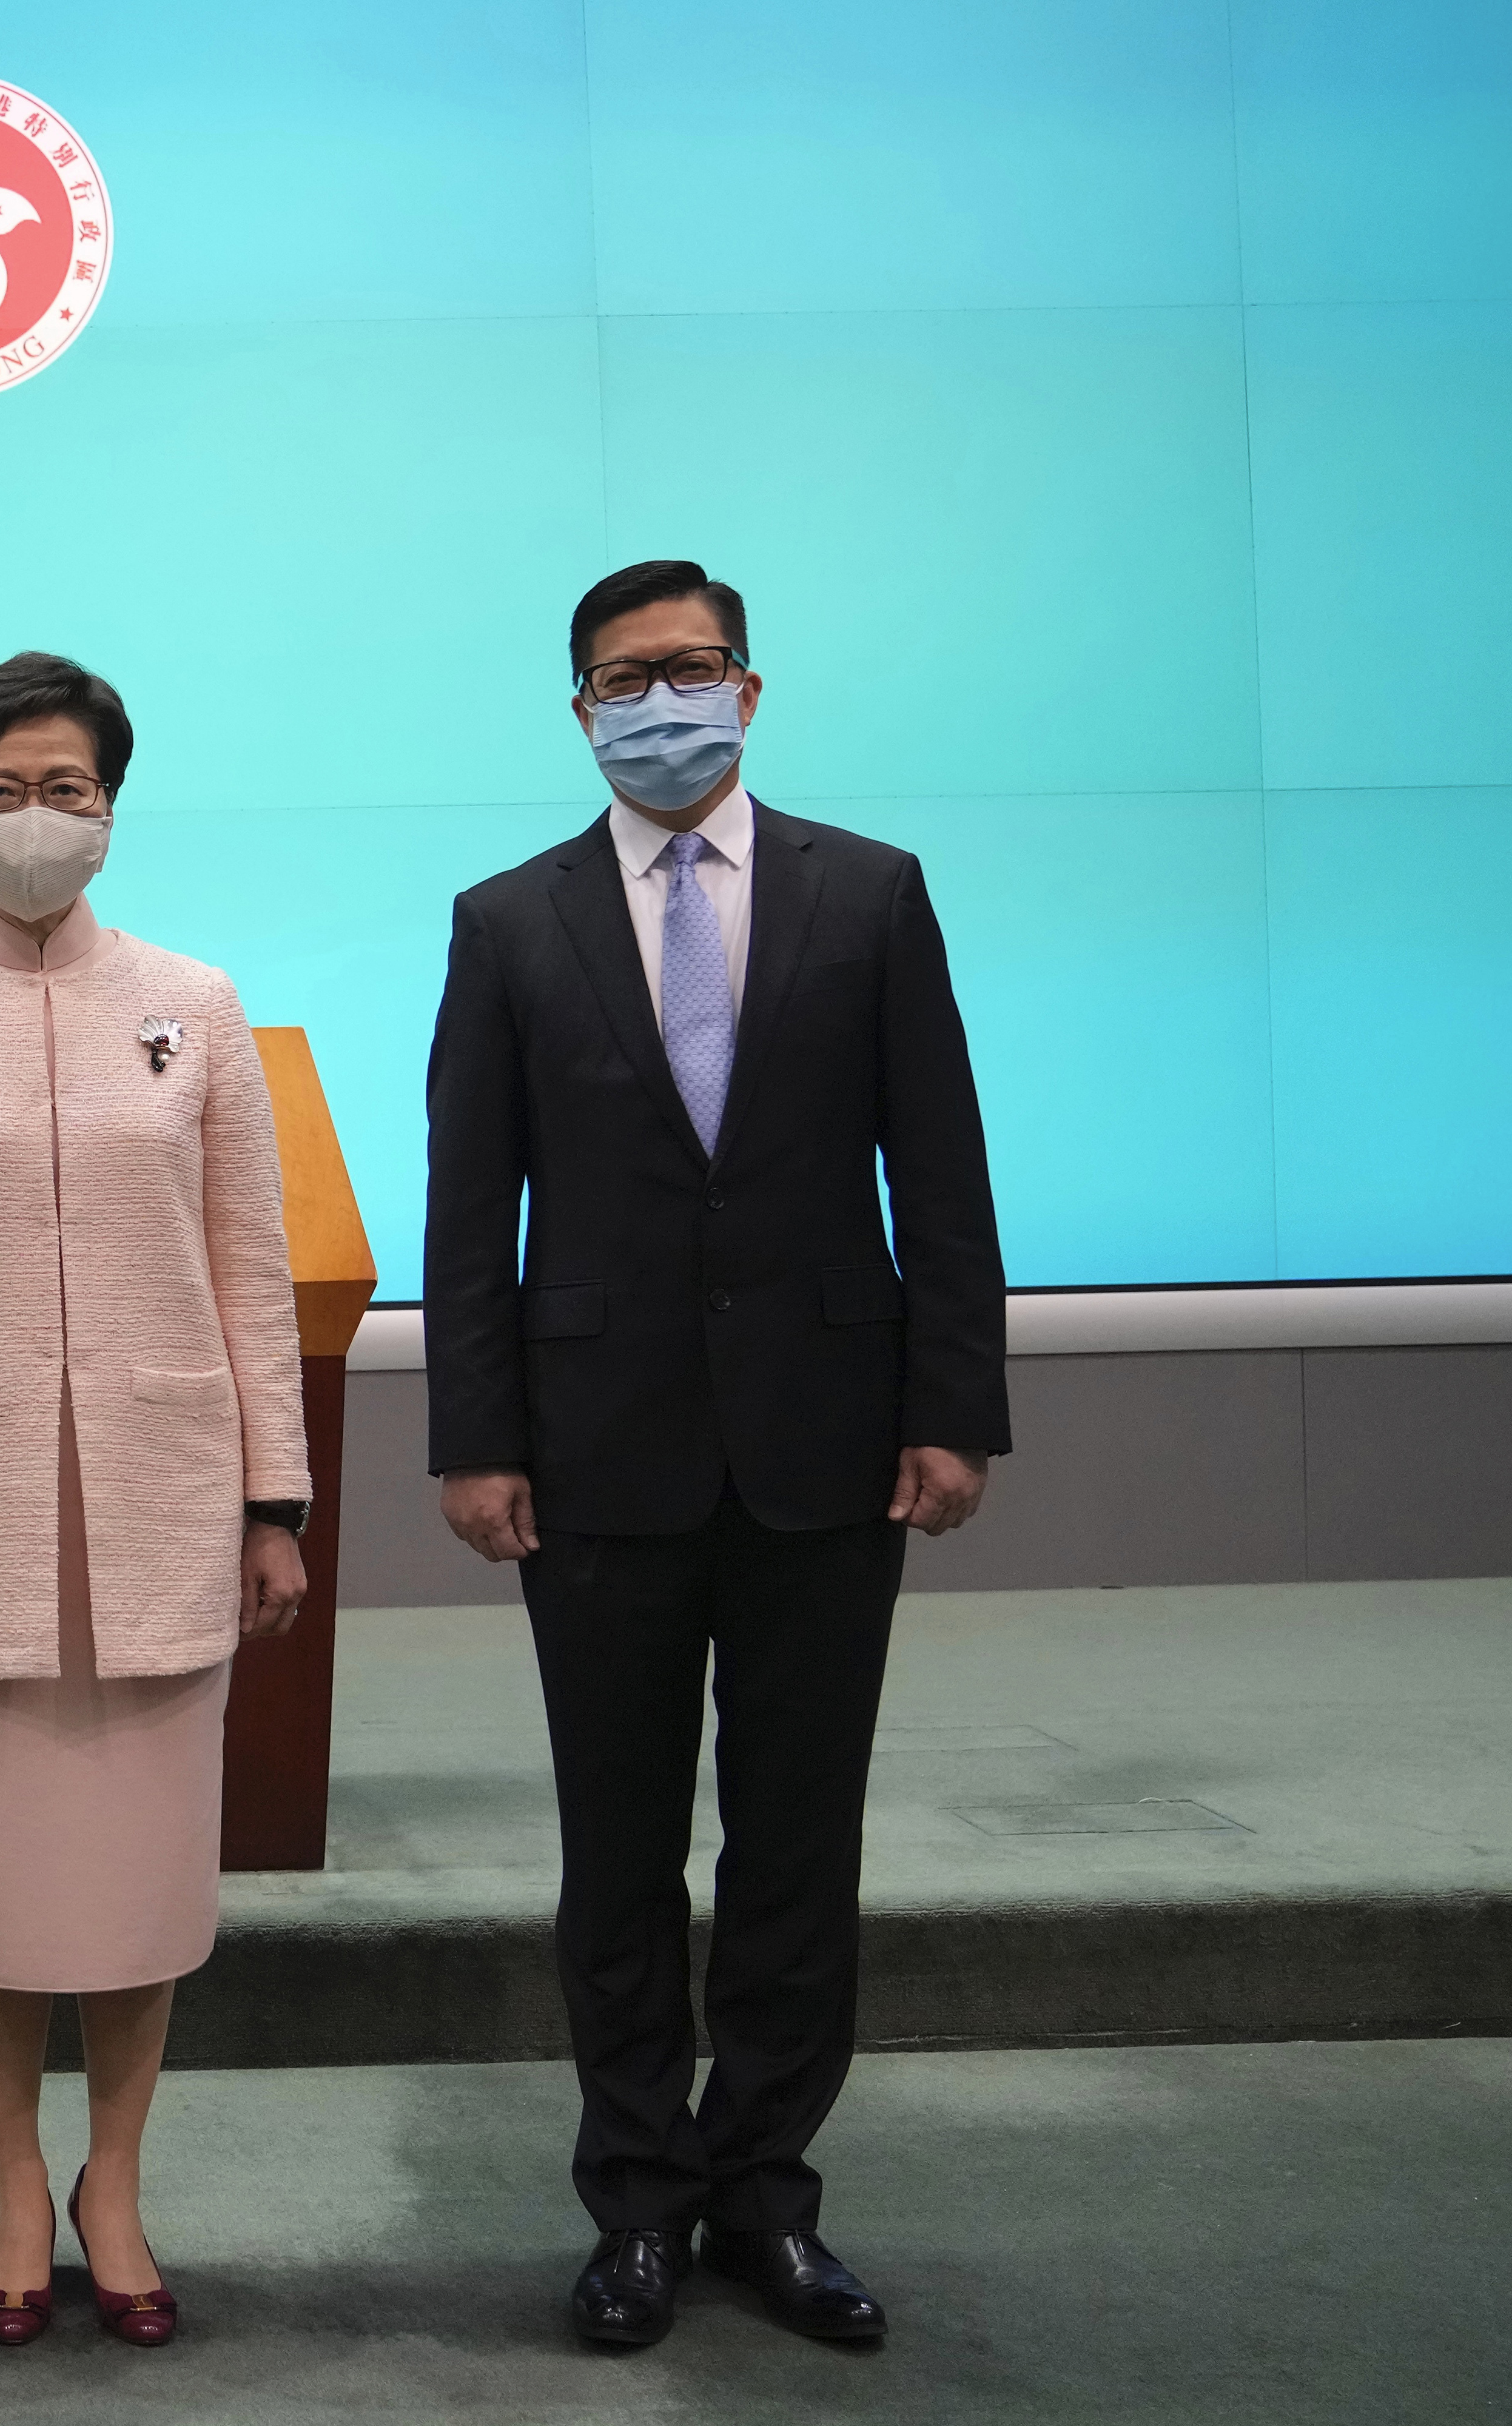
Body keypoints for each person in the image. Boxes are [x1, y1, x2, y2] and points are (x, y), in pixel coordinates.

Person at [422, 561, 1009, 2350]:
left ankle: (767, 2195)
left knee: (795, 1848)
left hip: (833, 1450)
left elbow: (946, 1168)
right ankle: (638, 2209)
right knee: (617, 1858)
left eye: (687, 671)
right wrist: (476, 1435)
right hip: (595, 1458)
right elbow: (472, 1207)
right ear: (579, 711)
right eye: (621, 680)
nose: (656, 704)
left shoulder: (873, 894)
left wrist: (954, 1403)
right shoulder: (509, 921)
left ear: (749, 690)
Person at [0, 652, 311, 2350]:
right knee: (5, 1892)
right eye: (1, 792)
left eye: (69, 789)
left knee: (144, 1886)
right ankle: (18, 2175)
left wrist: (273, 1500)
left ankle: (118, 2173)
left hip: (164, 1498)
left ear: (112, 809)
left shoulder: (201, 1006)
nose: (37, 820)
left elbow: (252, 1270)